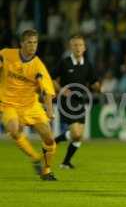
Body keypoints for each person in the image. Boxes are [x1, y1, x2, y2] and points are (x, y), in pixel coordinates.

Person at [0, 29, 57, 180]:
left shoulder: (38, 66)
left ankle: (46, 170)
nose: (33, 46)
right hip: (8, 104)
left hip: (31, 106)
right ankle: (34, 157)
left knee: (49, 138)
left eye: (35, 43)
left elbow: (47, 92)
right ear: (21, 44)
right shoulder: (6, 54)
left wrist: (50, 112)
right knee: (13, 129)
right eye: (29, 42)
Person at [53, 34, 100, 169]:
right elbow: (52, 80)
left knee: (78, 137)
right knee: (76, 133)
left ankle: (65, 161)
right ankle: (55, 143)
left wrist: (97, 86)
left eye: (80, 45)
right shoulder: (64, 62)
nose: (78, 47)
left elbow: (94, 81)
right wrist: (61, 90)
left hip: (80, 102)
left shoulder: (88, 65)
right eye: (75, 45)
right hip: (66, 102)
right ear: (70, 47)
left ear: (84, 48)